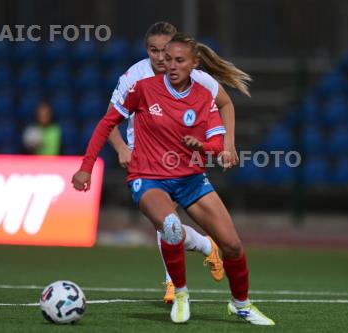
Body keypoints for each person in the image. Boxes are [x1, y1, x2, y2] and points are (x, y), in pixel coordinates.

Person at [72, 32, 275, 325]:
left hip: (191, 179)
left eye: (179, 60)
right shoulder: (142, 88)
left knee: (232, 246)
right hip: (148, 177)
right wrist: (86, 166)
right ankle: (180, 293)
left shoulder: (204, 97)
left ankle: (241, 305)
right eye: (168, 60)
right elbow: (107, 123)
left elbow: (217, 146)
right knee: (170, 227)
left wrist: (206, 148)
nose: (172, 65)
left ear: (194, 64)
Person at [107, 22, 246, 304]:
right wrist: (122, 147)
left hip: (184, 157)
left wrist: (228, 144)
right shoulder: (135, 76)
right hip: (145, 156)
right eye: (153, 51)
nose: (161, 58)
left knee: (172, 224)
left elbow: (226, 103)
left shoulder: (197, 78)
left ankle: (184, 277)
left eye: (167, 52)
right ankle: (197, 255)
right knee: (167, 222)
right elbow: (110, 118)